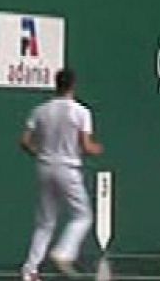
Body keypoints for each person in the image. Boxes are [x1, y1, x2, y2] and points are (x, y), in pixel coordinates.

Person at [19, 68, 103, 280]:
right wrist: (97, 149)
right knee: (82, 216)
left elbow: (25, 141)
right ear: (73, 85)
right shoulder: (81, 112)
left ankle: (30, 271)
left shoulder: (40, 111)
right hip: (68, 169)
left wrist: (41, 153)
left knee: (45, 222)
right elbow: (85, 145)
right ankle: (63, 252)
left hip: (45, 167)